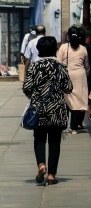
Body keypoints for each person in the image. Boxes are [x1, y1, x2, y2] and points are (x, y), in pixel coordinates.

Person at [23, 35, 72, 185]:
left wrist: (35, 97)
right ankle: (51, 175)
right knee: (55, 141)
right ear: (55, 49)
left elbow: (26, 87)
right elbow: (68, 88)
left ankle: (41, 165)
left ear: (39, 50)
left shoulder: (34, 66)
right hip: (57, 109)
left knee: (39, 138)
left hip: (39, 110)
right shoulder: (61, 66)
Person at [56, 25, 89, 133]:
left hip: (66, 74)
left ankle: (64, 125)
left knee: (66, 99)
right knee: (77, 102)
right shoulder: (83, 49)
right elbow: (87, 66)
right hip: (80, 76)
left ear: (68, 36)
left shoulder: (63, 47)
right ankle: (74, 127)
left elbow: (59, 63)